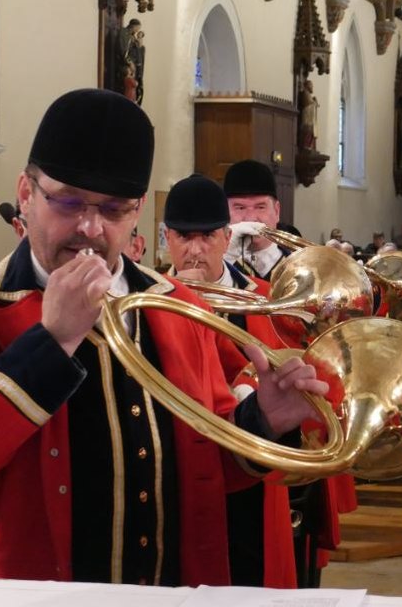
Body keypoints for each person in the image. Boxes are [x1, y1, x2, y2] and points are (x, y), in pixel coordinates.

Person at [0, 88, 327, 585]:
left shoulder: (176, 305)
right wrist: (52, 342)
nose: (89, 227)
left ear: (138, 212)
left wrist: (260, 421)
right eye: (67, 202)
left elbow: (203, 465)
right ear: (25, 192)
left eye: (113, 210)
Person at [162, 173, 298, 588]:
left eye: (207, 237)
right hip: (177, 464)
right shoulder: (146, 297)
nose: (196, 250)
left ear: (226, 236)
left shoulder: (263, 298)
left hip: (250, 468)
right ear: (166, 237)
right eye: (184, 237)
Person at [224, 159, 291, 281]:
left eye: (260, 207)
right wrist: (225, 259)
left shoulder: (299, 267)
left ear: (277, 211)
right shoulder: (213, 269)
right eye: (240, 208)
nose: (251, 218)